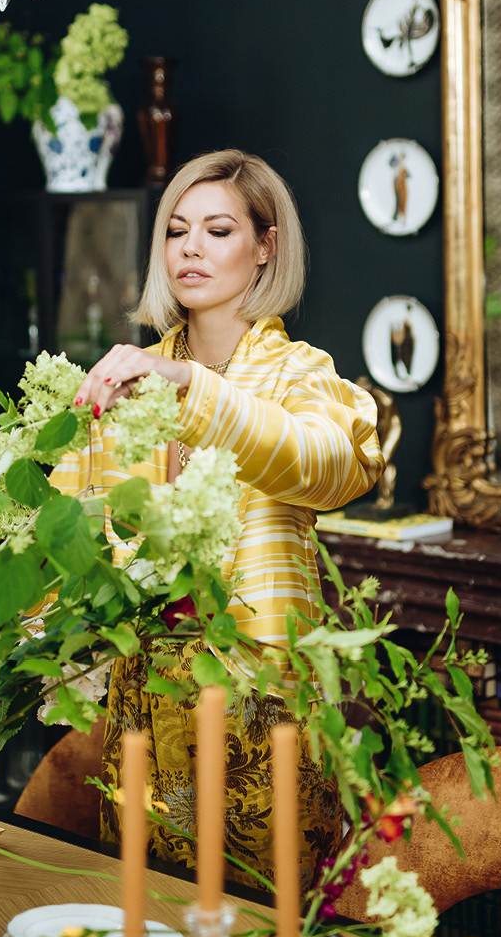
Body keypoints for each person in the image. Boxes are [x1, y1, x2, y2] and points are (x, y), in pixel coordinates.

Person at [51, 149, 383, 885]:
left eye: (218, 230)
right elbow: (57, 538)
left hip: (264, 710)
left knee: (263, 924)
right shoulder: (125, 377)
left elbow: (330, 465)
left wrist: (189, 385)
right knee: (142, 915)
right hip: (143, 708)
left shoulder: (300, 374)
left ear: (266, 246)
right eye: (176, 230)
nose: (190, 248)